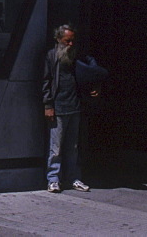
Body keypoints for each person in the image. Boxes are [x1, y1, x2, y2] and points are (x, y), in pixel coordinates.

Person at [42, 24, 99, 193]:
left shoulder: (77, 56)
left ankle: (73, 178)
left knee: (72, 147)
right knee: (56, 147)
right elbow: (46, 81)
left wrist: (92, 89)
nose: (70, 44)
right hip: (58, 108)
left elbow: (87, 75)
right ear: (58, 39)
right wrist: (48, 105)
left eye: (73, 41)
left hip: (74, 106)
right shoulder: (52, 56)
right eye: (67, 41)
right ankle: (53, 179)